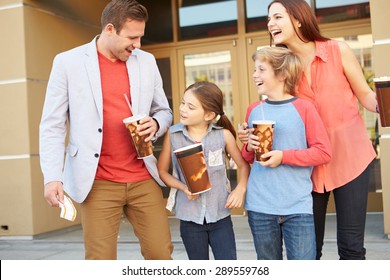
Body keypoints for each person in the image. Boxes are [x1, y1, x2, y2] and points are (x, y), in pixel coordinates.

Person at [240, 0, 378, 260]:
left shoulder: (338, 51)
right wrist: (249, 137)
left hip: (352, 159)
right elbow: (277, 110)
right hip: (308, 168)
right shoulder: (283, 67)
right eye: (269, 18)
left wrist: (385, 104)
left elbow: (366, 96)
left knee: (351, 247)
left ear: (299, 19)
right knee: (309, 250)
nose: (271, 24)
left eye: (278, 17)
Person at [39, 0, 173, 260]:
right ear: (110, 29)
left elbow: (164, 111)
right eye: (132, 37)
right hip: (96, 180)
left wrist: (156, 124)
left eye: (141, 37)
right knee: (100, 261)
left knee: (160, 254)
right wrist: (52, 177)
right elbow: (52, 126)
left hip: (143, 176)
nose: (138, 45)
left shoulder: (146, 61)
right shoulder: (67, 62)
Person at [241, 46, 331, 260]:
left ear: (281, 74)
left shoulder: (305, 108)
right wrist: (248, 145)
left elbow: (323, 153)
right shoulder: (254, 109)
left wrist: (284, 156)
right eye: (255, 70)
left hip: (297, 206)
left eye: (261, 70)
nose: (255, 75)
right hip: (260, 205)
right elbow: (247, 158)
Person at [158, 81, 250, 260]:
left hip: (220, 216)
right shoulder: (173, 135)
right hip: (190, 218)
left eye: (190, 107)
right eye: (183, 103)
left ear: (209, 114)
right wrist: (184, 188)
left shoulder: (223, 135)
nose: (183, 109)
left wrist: (240, 189)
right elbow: (162, 172)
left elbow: (244, 165)